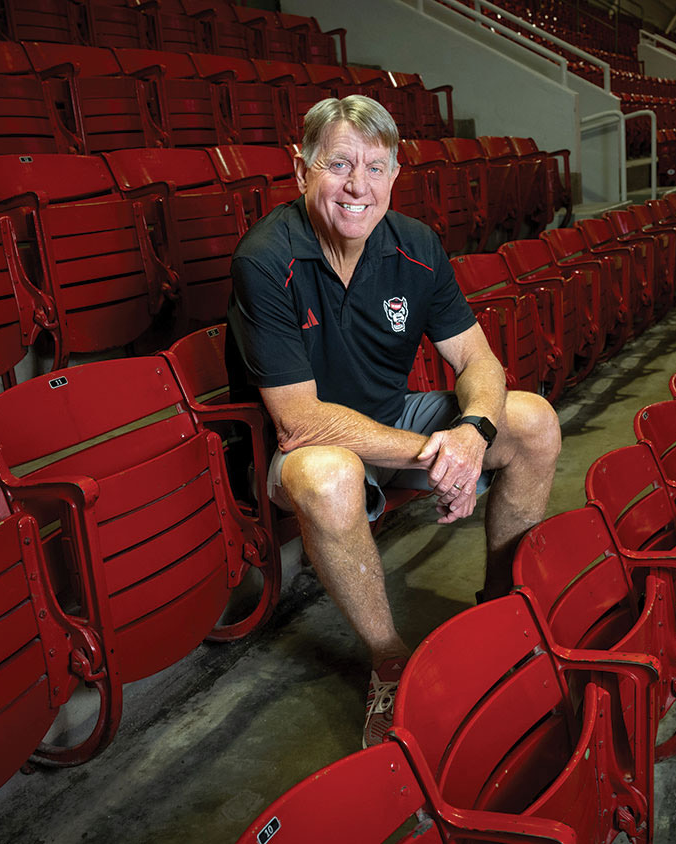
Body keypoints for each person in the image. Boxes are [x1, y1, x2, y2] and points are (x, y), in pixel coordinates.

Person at [225, 95, 561, 748]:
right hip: (305, 444)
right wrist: (438, 455)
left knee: (533, 420)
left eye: (375, 168)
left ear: (396, 173)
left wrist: (472, 435)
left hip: (391, 419)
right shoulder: (265, 259)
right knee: (325, 477)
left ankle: (501, 604)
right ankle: (388, 658)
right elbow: (298, 420)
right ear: (300, 170)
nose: (358, 186)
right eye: (339, 165)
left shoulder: (416, 245)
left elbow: (478, 361)